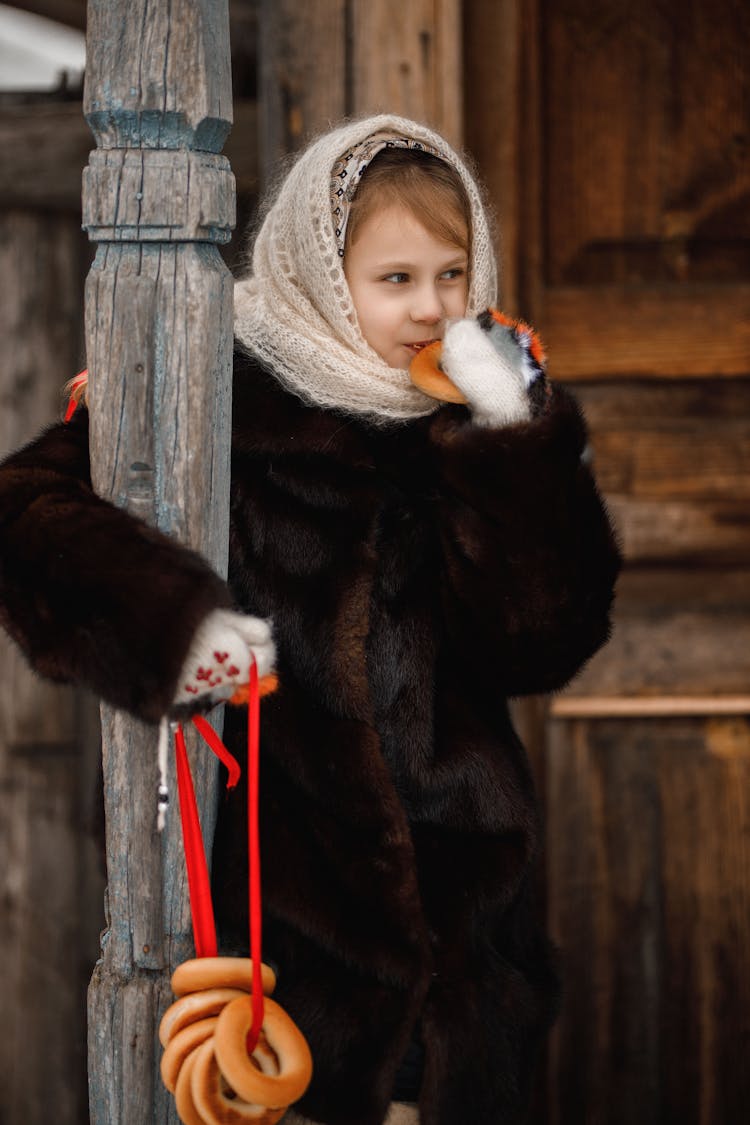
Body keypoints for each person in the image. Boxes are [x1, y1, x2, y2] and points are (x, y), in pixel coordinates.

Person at [0, 114, 621, 1124]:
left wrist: (516, 444)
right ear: (322, 276)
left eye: (453, 275)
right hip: (287, 941)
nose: (432, 309)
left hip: (468, 940)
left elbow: (544, 636)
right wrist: (169, 628)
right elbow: (24, 515)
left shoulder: (477, 423)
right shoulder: (219, 391)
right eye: (395, 280)